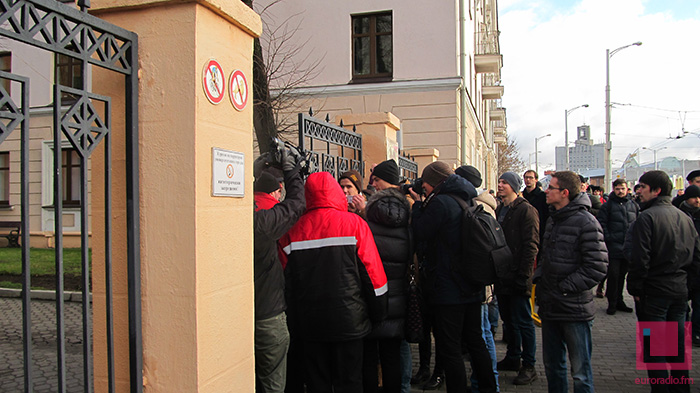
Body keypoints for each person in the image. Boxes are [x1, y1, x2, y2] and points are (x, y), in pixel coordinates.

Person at [279, 171, 388, 393]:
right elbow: (374, 277)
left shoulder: (291, 231)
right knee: (349, 382)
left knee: (317, 383)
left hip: (309, 324)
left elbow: (284, 282)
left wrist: (292, 321)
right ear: (336, 193)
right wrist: (378, 314)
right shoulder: (355, 224)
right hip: (350, 322)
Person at [409, 161, 497, 393]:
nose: (423, 187)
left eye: (426, 183)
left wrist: (418, 206)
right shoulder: (464, 197)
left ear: (434, 182)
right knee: (475, 341)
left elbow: (420, 232)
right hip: (470, 283)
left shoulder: (441, 203)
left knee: (450, 348)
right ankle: (489, 388)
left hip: (449, 288)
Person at [534, 171, 608, 393]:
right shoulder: (554, 219)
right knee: (553, 367)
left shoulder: (586, 222)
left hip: (574, 309)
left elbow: (598, 266)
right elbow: (547, 256)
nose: (546, 191)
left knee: (581, 372)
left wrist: (565, 287)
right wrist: (539, 275)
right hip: (551, 306)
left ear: (564, 193)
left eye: (551, 188)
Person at [627, 170, 700, 392]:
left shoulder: (647, 218)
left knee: (655, 350)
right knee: (677, 348)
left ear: (656, 190)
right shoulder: (684, 217)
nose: (639, 191)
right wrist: (689, 287)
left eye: (643, 187)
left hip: (654, 294)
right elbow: (696, 258)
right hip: (678, 292)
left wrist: (636, 288)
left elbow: (640, 258)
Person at [253, 151, 306, 393]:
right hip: (268, 314)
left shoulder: (238, 214)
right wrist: (293, 172)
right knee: (273, 383)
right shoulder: (265, 224)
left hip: (235, 317)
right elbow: (296, 205)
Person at [362, 160, 412, 393]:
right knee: (393, 355)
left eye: (376, 180)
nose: (374, 185)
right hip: (399, 293)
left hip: (373, 294)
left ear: (383, 181)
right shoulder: (409, 212)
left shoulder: (369, 215)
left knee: (370, 357)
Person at [455, 165, 500, 393]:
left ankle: (487, 383)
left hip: (479, 283)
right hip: (484, 282)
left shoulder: (478, 206)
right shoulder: (485, 204)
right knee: (482, 334)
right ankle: (484, 382)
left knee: (482, 335)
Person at [494, 172, 540, 386]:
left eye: (504, 183)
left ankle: (528, 365)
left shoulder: (526, 210)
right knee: (509, 321)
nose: (500, 185)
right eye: (500, 182)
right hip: (503, 275)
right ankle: (513, 357)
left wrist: (523, 276)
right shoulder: (502, 208)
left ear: (514, 186)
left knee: (524, 322)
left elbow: (531, 245)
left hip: (518, 276)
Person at [597, 178, 638, 315]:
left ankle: (620, 300)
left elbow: (637, 223)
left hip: (628, 248)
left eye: (623, 188)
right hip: (613, 247)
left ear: (627, 189)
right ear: (613, 190)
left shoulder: (633, 205)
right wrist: (609, 238)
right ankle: (612, 302)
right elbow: (601, 224)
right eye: (617, 189)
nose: (620, 191)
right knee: (613, 275)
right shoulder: (607, 206)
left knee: (622, 276)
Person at [678, 184, 700, 347]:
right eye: (694, 197)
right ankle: (683, 335)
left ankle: (695, 333)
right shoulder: (679, 215)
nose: (698, 200)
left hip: (696, 267)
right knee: (681, 306)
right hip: (681, 269)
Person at [522, 169, 549, 246]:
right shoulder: (521, 197)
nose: (528, 180)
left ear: (536, 180)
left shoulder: (542, 197)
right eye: (526, 177)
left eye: (531, 178)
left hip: (539, 231)